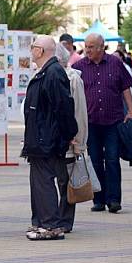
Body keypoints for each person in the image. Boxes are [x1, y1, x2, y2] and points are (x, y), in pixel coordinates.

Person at [21, 35, 78, 240]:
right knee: (39, 181)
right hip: (40, 139)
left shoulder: (53, 73)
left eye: (33, 46)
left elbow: (64, 107)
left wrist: (69, 134)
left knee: (44, 182)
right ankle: (41, 222)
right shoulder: (45, 72)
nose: (30, 50)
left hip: (47, 140)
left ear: (41, 51)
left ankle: (51, 225)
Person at [74, 33, 132, 214]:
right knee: (94, 161)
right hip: (91, 122)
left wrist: (131, 112)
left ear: (102, 47)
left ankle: (114, 200)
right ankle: (98, 199)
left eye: (91, 47)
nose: (88, 50)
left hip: (113, 121)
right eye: (86, 46)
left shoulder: (115, 64)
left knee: (112, 160)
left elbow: (125, 88)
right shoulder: (79, 68)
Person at [54, 43, 88, 234]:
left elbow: (80, 113)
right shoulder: (43, 77)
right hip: (50, 141)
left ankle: (65, 220)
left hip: (68, 140)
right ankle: (55, 217)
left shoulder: (73, 79)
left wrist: (79, 143)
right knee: (55, 180)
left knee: (65, 181)